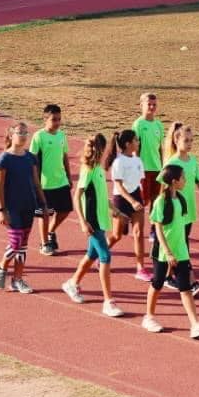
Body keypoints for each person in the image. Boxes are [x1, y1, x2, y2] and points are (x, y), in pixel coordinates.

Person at [142, 163, 199, 339]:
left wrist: (182, 249)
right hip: (163, 252)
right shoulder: (161, 202)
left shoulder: (181, 200)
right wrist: (167, 253)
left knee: (186, 288)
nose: (185, 180)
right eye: (183, 177)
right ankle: (149, 316)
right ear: (174, 181)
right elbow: (158, 228)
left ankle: (195, 324)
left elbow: (180, 227)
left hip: (181, 251)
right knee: (157, 283)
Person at [62, 134, 125, 317]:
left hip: (101, 219)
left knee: (91, 255)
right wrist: (83, 222)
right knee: (105, 256)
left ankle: (72, 283)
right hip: (93, 222)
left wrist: (116, 211)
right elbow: (77, 196)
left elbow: (101, 195)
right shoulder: (88, 170)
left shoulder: (98, 168)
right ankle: (108, 301)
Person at [163, 122, 199, 297]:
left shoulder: (193, 160)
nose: (189, 143)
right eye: (186, 140)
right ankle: (190, 282)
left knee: (181, 242)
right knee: (182, 246)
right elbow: (163, 186)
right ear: (176, 140)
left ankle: (166, 276)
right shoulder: (172, 162)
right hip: (176, 211)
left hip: (189, 210)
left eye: (191, 140)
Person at [0, 121, 44, 294]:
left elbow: (36, 183)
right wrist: (2, 210)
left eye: (25, 133)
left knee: (23, 245)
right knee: (15, 243)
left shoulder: (30, 157)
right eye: (19, 132)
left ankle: (17, 279)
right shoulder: (3, 159)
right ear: (11, 135)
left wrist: (43, 204)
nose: (23, 136)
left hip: (28, 205)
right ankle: (2, 266)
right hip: (12, 207)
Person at [31, 104, 72, 255]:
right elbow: (33, 160)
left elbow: (65, 156)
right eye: (54, 119)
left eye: (59, 119)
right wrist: (35, 183)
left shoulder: (62, 135)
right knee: (44, 213)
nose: (57, 122)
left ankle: (50, 231)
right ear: (45, 119)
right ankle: (44, 244)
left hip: (60, 181)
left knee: (65, 210)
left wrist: (68, 175)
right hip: (44, 184)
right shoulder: (39, 136)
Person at [105, 128, 147, 276]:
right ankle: (100, 256)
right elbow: (119, 186)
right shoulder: (118, 162)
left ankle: (140, 268)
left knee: (139, 233)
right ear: (128, 144)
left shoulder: (137, 160)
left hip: (136, 196)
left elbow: (140, 181)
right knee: (117, 235)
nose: (138, 142)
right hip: (121, 200)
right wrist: (132, 201)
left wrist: (140, 199)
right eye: (136, 140)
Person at [131, 93, 163, 282]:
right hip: (143, 169)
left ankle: (153, 229)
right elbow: (136, 148)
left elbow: (160, 148)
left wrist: (163, 163)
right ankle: (138, 224)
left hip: (157, 168)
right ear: (141, 106)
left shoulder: (159, 125)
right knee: (144, 200)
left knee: (157, 200)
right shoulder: (138, 124)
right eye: (148, 104)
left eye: (154, 104)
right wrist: (137, 167)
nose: (151, 107)